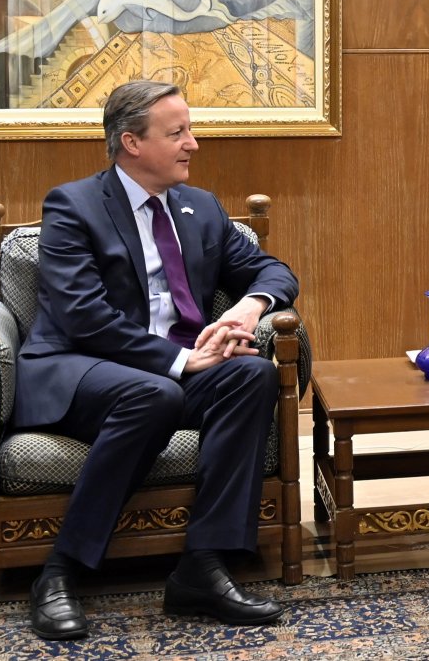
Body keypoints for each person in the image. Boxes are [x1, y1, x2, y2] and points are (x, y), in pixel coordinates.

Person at [16, 79, 299, 641]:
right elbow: (83, 318)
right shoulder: (72, 205)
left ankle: (203, 563)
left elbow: (275, 272)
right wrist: (181, 361)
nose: (193, 143)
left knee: (251, 374)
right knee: (157, 391)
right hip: (81, 366)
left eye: (189, 130)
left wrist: (247, 309)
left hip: (169, 369)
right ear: (132, 143)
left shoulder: (201, 208)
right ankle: (60, 571)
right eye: (177, 133)